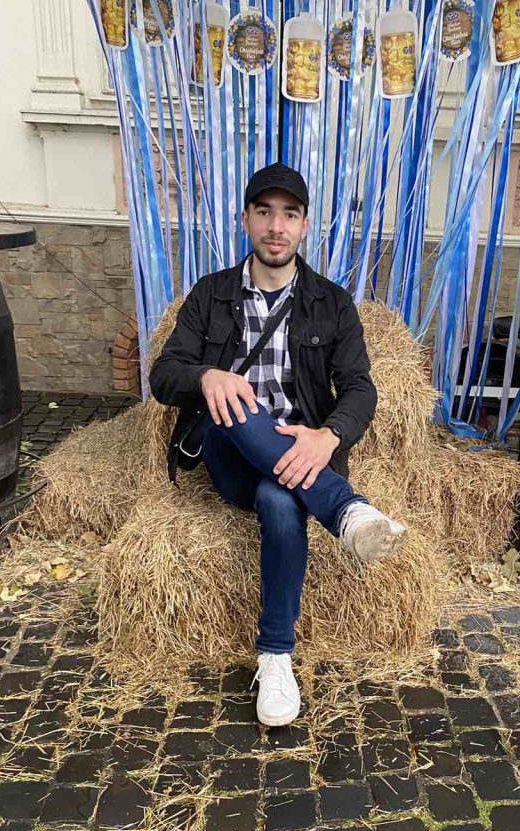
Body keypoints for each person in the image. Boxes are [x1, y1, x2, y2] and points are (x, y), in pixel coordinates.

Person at [149, 163, 407, 727]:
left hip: (299, 456)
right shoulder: (212, 294)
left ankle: (275, 658)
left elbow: (360, 388)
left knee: (280, 499)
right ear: (245, 219)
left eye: (289, 214)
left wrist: (327, 435)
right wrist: (205, 377)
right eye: (264, 212)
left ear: (305, 225)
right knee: (236, 401)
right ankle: (346, 510)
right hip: (229, 451)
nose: (276, 226)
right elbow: (163, 374)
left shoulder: (331, 304)